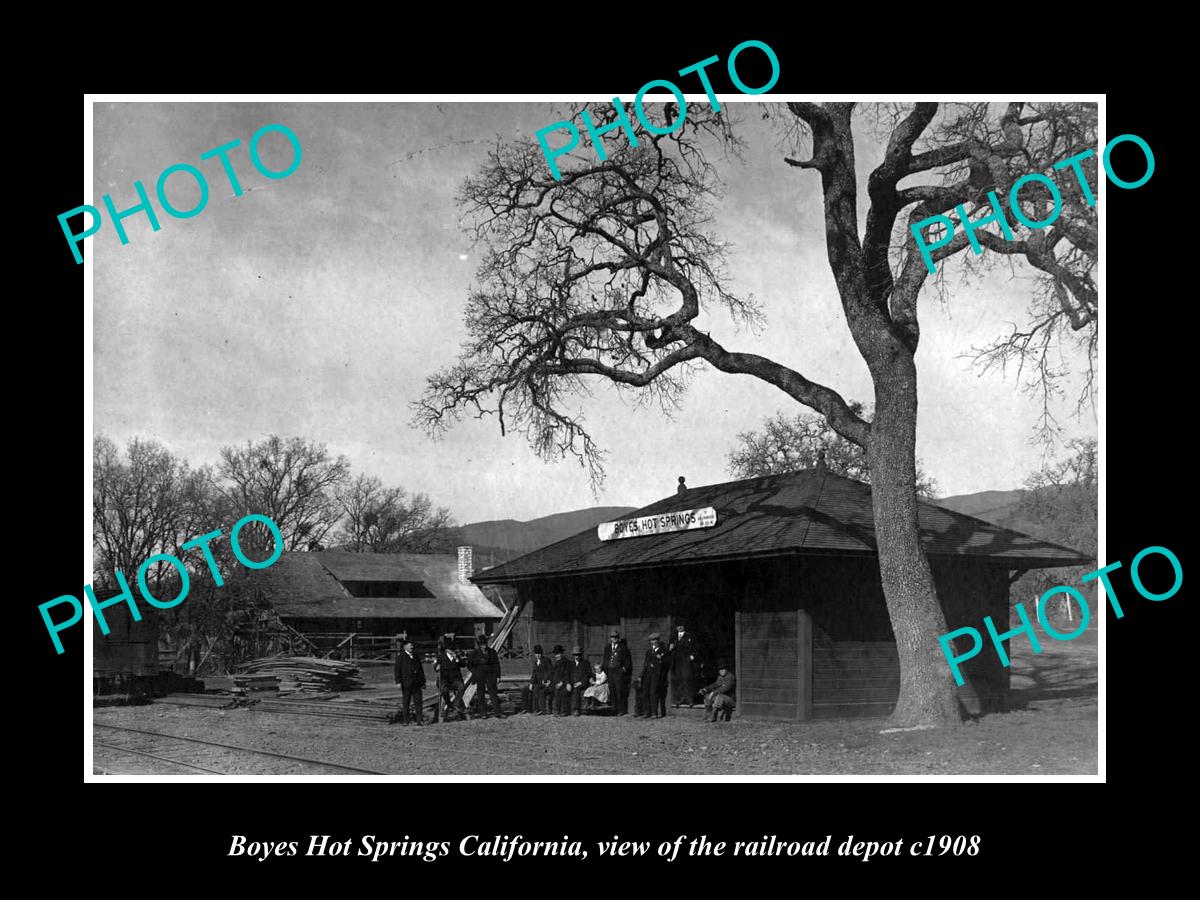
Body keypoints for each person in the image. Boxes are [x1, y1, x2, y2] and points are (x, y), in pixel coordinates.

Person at [468, 633, 505, 719]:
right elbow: (469, 665)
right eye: (482, 644)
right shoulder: (475, 653)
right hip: (480, 675)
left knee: (493, 693)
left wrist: (498, 676)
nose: (484, 646)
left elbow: (496, 664)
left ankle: (498, 712)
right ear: (480, 645)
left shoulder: (492, 652)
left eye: (485, 644)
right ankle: (483, 713)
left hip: (490, 674)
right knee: (481, 694)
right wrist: (475, 672)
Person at [436, 634, 468, 722]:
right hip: (445, 680)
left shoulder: (455, 657)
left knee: (461, 687)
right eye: (450, 650)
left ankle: (456, 704)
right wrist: (437, 667)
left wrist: (457, 659)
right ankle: (449, 705)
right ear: (446, 650)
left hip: (455, 680)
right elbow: (436, 666)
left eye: (453, 650)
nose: (452, 652)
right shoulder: (441, 657)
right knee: (444, 690)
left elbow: (464, 664)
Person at [394, 639, 426, 726]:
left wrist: (423, 682)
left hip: (416, 683)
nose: (411, 647)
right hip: (406, 683)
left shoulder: (416, 656)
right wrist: (398, 682)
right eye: (409, 645)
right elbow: (397, 670)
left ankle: (419, 720)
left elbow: (421, 670)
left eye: (412, 645)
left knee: (418, 702)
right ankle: (405, 720)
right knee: (406, 702)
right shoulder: (401, 657)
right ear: (405, 647)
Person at [602, 629, 632, 716]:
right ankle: (614, 709)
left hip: (618, 672)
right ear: (610, 638)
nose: (614, 639)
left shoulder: (623, 647)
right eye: (612, 637)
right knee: (612, 691)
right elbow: (605, 659)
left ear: (618, 638)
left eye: (615, 637)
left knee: (620, 691)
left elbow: (627, 661)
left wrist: (623, 669)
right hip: (610, 671)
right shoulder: (607, 648)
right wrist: (606, 669)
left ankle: (621, 710)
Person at [669, 622, 700, 708]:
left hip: (686, 661)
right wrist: (670, 648)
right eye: (678, 626)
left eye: (681, 626)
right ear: (676, 627)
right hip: (677, 662)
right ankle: (680, 700)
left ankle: (690, 700)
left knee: (687, 679)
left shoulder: (689, 635)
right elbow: (670, 646)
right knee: (678, 680)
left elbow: (696, 647)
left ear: (684, 626)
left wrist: (692, 656)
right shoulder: (674, 636)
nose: (680, 627)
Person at [640, 633, 670, 718]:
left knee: (653, 693)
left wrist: (661, 658)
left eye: (655, 641)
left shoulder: (663, 651)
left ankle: (654, 713)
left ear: (658, 641)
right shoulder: (649, 651)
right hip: (647, 675)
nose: (654, 643)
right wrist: (641, 675)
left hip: (657, 676)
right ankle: (647, 712)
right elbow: (645, 664)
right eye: (652, 641)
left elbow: (667, 664)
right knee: (646, 693)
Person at [527, 644, 553, 715]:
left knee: (537, 690)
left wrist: (545, 679)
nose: (538, 655)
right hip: (538, 683)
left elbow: (550, 671)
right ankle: (535, 709)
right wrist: (531, 683)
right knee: (531, 689)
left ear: (541, 653)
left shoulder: (546, 660)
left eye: (539, 653)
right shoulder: (536, 663)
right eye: (536, 654)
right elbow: (534, 674)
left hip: (546, 682)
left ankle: (541, 709)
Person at [567, 646, 590, 716]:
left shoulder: (585, 663)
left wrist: (581, 682)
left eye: (578, 655)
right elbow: (567, 675)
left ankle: (576, 709)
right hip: (573, 683)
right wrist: (568, 683)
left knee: (576, 689)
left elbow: (588, 674)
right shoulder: (570, 664)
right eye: (575, 655)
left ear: (580, 655)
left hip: (583, 683)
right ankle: (566, 709)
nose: (576, 657)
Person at [550, 645, 571, 717]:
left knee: (560, 692)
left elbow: (567, 674)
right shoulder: (556, 663)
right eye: (556, 654)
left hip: (564, 683)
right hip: (556, 683)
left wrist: (562, 682)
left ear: (562, 654)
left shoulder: (566, 663)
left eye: (558, 654)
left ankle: (562, 711)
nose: (557, 656)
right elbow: (553, 674)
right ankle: (554, 710)